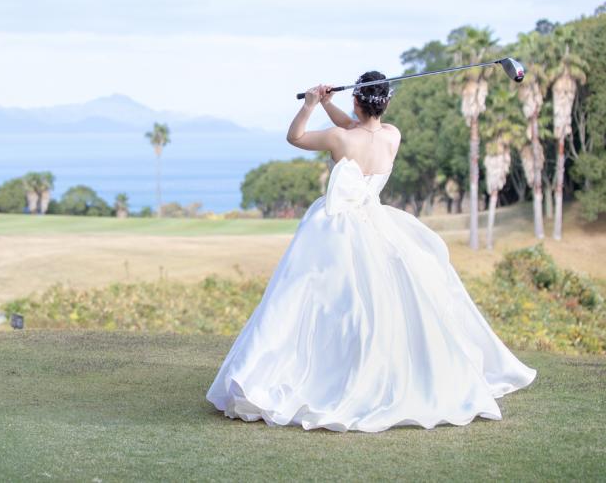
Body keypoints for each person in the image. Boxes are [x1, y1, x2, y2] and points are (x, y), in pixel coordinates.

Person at [206, 72, 535, 432]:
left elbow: (295, 136)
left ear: (357, 100)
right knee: (377, 301)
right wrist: (331, 104)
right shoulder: (392, 135)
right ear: (385, 103)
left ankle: (312, 375)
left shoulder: (338, 139)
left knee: (315, 298)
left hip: (336, 227)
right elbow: (355, 127)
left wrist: (311, 105)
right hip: (376, 221)